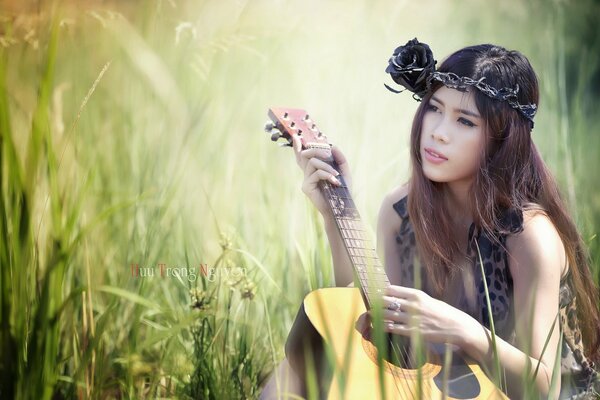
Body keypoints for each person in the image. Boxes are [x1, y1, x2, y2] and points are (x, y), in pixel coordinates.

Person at [260, 40, 600, 399]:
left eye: (464, 121)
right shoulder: (400, 211)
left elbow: (543, 388)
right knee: (293, 371)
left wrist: (464, 330)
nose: (438, 131)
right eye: (434, 109)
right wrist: (334, 214)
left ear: (501, 140)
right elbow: (370, 319)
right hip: (433, 385)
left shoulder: (529, 237)